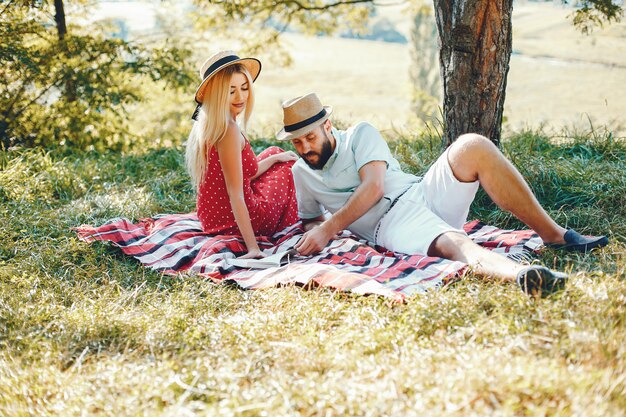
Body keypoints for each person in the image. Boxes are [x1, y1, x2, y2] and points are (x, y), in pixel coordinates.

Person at [276, 93, 609, 296]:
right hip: (391, 225)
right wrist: (316, 235)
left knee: (472, 146)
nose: (305, 148)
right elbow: (311, 221)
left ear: (327, 126)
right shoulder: (300, 174)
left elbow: (374, 186)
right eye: (297, 142)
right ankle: (523, 275)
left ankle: (554, 235)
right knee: (455, 242)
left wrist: (328, 229)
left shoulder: (360, 135)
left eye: (310, 137)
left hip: (419, 189)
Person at [185, 51, 299, 259]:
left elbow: (240, 175)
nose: (241, 97)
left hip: (212, 216)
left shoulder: (211, 123)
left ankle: (277, 161)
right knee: (289, 169)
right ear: (219, 95)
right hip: (231, 221)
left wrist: (274, 159)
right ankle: (304, 219)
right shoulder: (228, 130)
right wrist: (253, 248)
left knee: (276, 153)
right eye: (231, 91)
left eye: (244, 88)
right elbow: (235, 194)